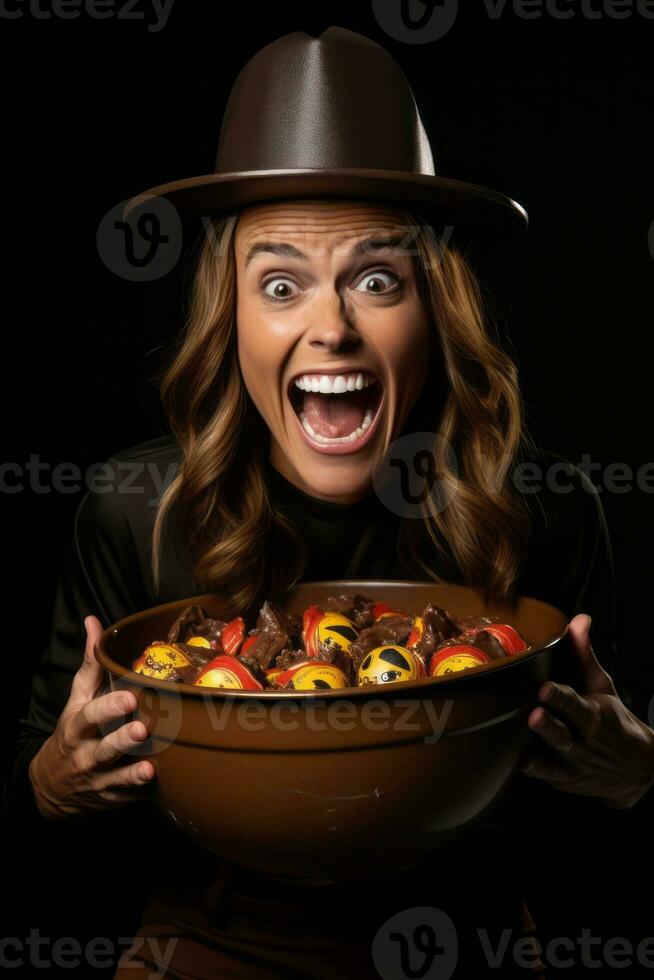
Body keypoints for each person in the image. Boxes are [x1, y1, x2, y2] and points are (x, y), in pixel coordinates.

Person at [11, 26, 654, 980]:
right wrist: (52, 781)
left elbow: (600, 835)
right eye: (281, 283)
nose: (332, 327)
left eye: (378, 279)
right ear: (230, 316)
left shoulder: (547, 511)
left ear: (437, 310)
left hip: (467, 939)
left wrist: (638, 776)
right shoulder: (134, 506)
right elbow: (40, 788)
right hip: (210, 933)